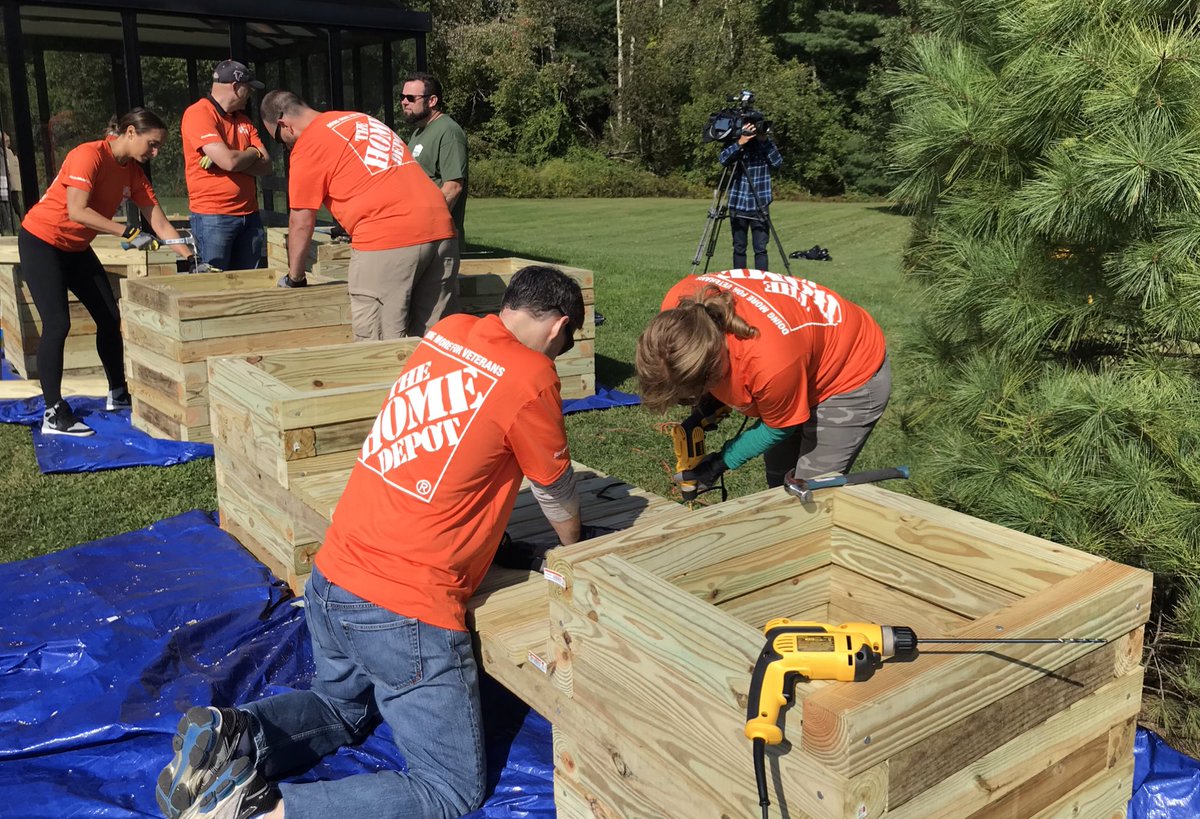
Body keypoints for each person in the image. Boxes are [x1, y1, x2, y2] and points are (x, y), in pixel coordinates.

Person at [156, 265, 585, 819]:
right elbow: (555, 492)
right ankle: (256, 811)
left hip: (332, 579)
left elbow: (459, 447)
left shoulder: (452, 330)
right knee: (449, 790)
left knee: (340, 709)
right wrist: (573, 547)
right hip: (405, 609)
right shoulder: (532, 375)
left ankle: (231, 734)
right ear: (559, 329)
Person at [19, 108, 197, 437]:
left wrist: (189, 259)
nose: (155, 153)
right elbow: (77, 210)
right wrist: (126, 232)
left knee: (109, 316)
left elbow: (157, 220)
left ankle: (118, 393)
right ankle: (53, 412)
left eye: (158, 147)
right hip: (42, 241)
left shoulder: (133, 172)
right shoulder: (88, 155)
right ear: (130, 132)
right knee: (58, 323)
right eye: (152, 144)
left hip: (75, 248)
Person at [636, 268, 890, 490]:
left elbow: (779, 426)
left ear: (712, 369)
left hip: (850, 373)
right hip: (799, 355)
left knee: (808, 491)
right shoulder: (679, 305)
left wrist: (720, 462)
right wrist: (703, 410)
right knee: (779, 481)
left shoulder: (769, 364)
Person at [260, 90, 458, 341]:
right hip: (441, 228)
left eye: (279, 140)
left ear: (283, 125)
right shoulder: (360, 120)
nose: (286, 146)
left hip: (387, 238)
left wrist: (295, 277)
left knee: (380, 347)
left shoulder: (309, 143)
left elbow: (301, 220)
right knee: (435, 342)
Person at [181, 59, 272, 271]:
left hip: (250, 217)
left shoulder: (244, 121)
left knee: (251, 284)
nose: (249, 94)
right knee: (213, 283)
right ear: (235, 87)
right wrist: (249, 154)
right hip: (214, 216)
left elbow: (266, 165)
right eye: (247, 89)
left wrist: (246, 154)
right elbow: (229, 162)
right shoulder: (199, 113)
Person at [402, 72, 468, 251]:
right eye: (402, 97)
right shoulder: (418, 132)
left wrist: (426, 225)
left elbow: (453, 187)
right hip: (414, 237)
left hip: (436, 240)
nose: (404, 102)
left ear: (432, 101)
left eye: (410, 97)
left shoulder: (449, 132)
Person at [719, 121, 783, 271]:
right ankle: (740, 282)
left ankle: (760, 283)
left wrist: (763, 140)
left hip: (760, 201)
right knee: (739, 247)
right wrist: (740, 142)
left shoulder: (765, 145)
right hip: (738, 201)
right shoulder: (735, 141)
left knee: (760, 248)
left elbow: (778, 163)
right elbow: (723, 160)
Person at [1, 133, 21, 233]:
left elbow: (8, 168)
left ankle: (9, 225)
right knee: (13, 203)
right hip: (11, 182)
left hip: (8, 182)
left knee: (10, 203)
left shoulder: (6, 152)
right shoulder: (9, 152)